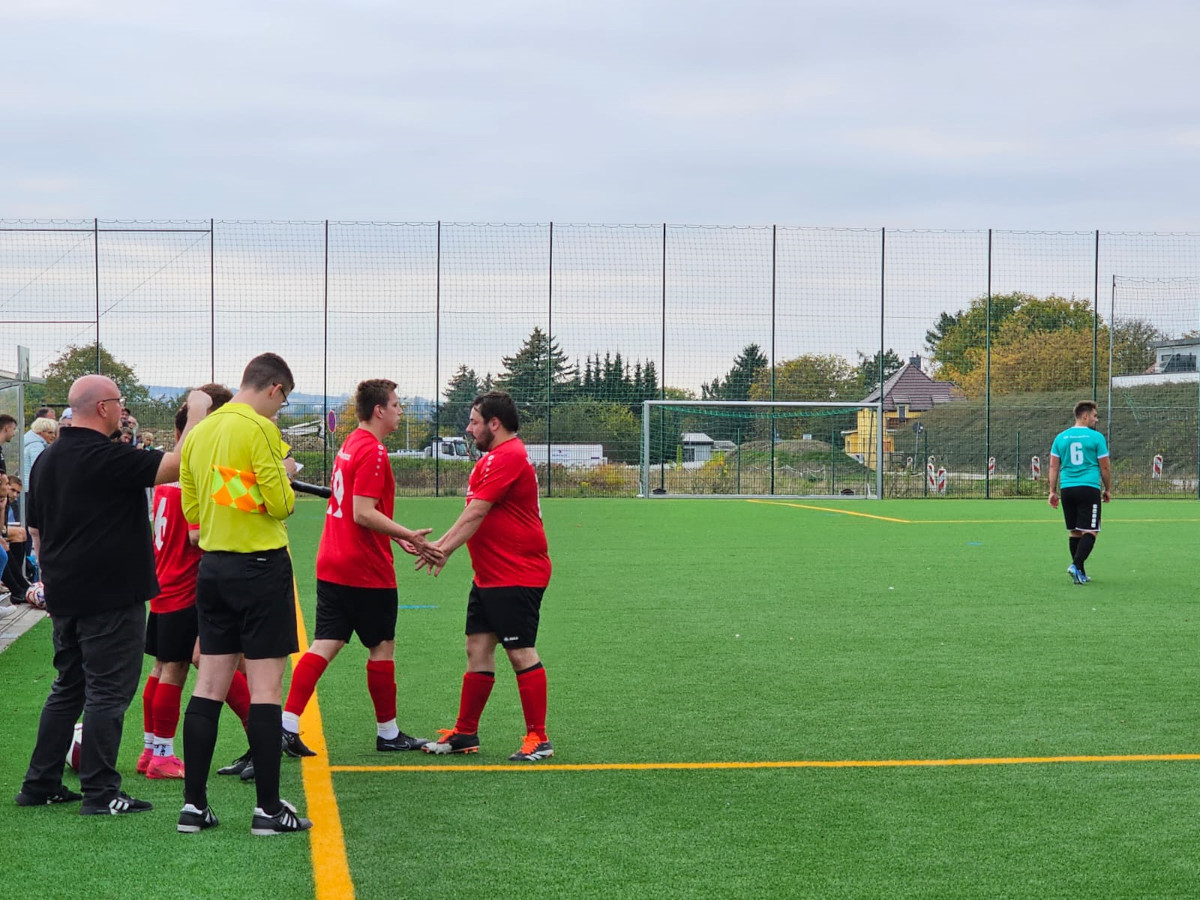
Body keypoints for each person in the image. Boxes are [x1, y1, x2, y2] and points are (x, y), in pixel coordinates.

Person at [16, 376, 210, 815]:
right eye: (119, 403)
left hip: (66, 594)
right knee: (108, 691)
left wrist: (55, 579)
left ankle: (40, 782)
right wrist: (197, 408)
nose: (123, 411)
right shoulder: (107, 456)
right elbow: (180, 464)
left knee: (68, 687)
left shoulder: (47, 459)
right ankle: (101, 791)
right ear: (103, 408)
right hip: (110, 597)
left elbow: (37, 533)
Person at [177, 352, 312, 836]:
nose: (280, 408)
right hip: (260, 568)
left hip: (213, 567)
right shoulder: (260, 429)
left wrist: (235, 492)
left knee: (208, 687)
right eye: (284, 399)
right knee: (266, 690)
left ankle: (194, 807)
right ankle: (268, 810)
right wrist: (284, 476)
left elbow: (194, 509)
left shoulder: (201, 432)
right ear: (275, 389)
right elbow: (280, 503)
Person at [281, 380, 438, 760]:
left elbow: (357, 506)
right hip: (364, 566)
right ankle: (388, 733)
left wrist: (394, 537)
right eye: (396, 405)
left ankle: (286, 724)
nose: (400, 411)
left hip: (332, 559)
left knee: (326, 643)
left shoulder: (351, 443)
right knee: (381, 646)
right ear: (379, 410)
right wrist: (409, 535)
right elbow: (362, 512)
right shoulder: (373, 450)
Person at [419, 390, 554, 762]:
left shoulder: (509, 456)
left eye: (474, 421)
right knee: (477, 648)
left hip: (517, 573)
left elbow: (477, 512)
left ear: (495, 423)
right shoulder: (492, 460)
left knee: (520, 651)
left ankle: (539, 738)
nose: (469, 428)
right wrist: (441, 546)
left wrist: (442, 549)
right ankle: (465, 732)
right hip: (490, 575)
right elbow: (473, 516)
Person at [139, 385, 254, 781]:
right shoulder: (197, 476)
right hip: (187, 589)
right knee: (182, 667)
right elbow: (199, 533)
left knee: (162, 668)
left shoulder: (167, 478)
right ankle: (164, 755)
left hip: (165, 585)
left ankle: (151, 748)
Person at [1048, 400, 1111, 584]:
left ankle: (1080, 573)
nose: (1096, 420)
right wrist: (1107, 488)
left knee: (1075, 531)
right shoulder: (1096, 437)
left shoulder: (1060, 438)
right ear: (1085, 416)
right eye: (1094, 416)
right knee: (1091, 530)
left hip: (1067, 489)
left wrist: (1052, 491)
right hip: (1088, 488)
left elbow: (1053, 466)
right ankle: (1075, 565)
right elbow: (1105, 467)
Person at [23, 417, 57, 489]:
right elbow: (39, 469)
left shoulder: (30, 443)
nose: (53, 436)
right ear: (39, 432)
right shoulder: (37, 446)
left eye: (54, 433)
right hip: (32, 486)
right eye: (50, 433)